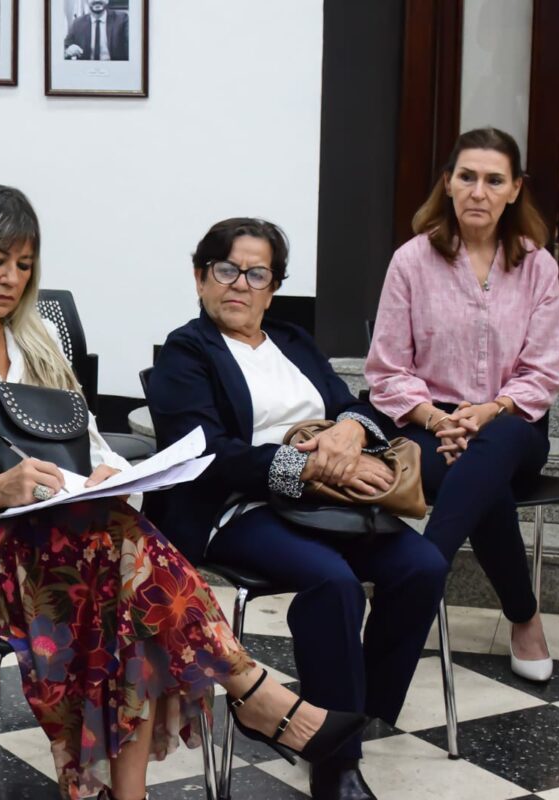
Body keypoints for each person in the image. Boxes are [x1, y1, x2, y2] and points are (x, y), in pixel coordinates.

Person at [0, 185, 368, 800]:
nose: (11, 280)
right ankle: (252, 693)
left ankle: (142, 784)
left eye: (24, 266)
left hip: (64, 534)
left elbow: (90, 440)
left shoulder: (34, 341)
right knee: (122, 567)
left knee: (121, 583)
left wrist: (106, 474)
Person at [145, 218, 449, 800]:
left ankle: (356, 712)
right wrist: (308, 467)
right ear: (200, 278)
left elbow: (353, 407)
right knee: (331, 582)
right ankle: (335, 759)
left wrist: (350, 440)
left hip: (325, 502)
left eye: (256, 273)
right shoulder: (186, 352)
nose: (239, 284)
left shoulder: (292, 341)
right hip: (234, 507)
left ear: (273, 286)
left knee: (423, 566)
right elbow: (207, 453)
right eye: (226, 269)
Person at [365, 127, 559, 683]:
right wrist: (437, 417)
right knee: (482, 477)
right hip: (430, 427)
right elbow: (386, 370)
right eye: (467, 176)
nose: (479, 191)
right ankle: (524, 617)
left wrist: (488, 410)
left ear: (514, 190)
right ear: (448, 184)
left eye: (493, 180)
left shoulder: (537, 265)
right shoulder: (411, 261)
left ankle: (424, 568)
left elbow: (542, 372)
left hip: (512, 424)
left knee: (494, 446)